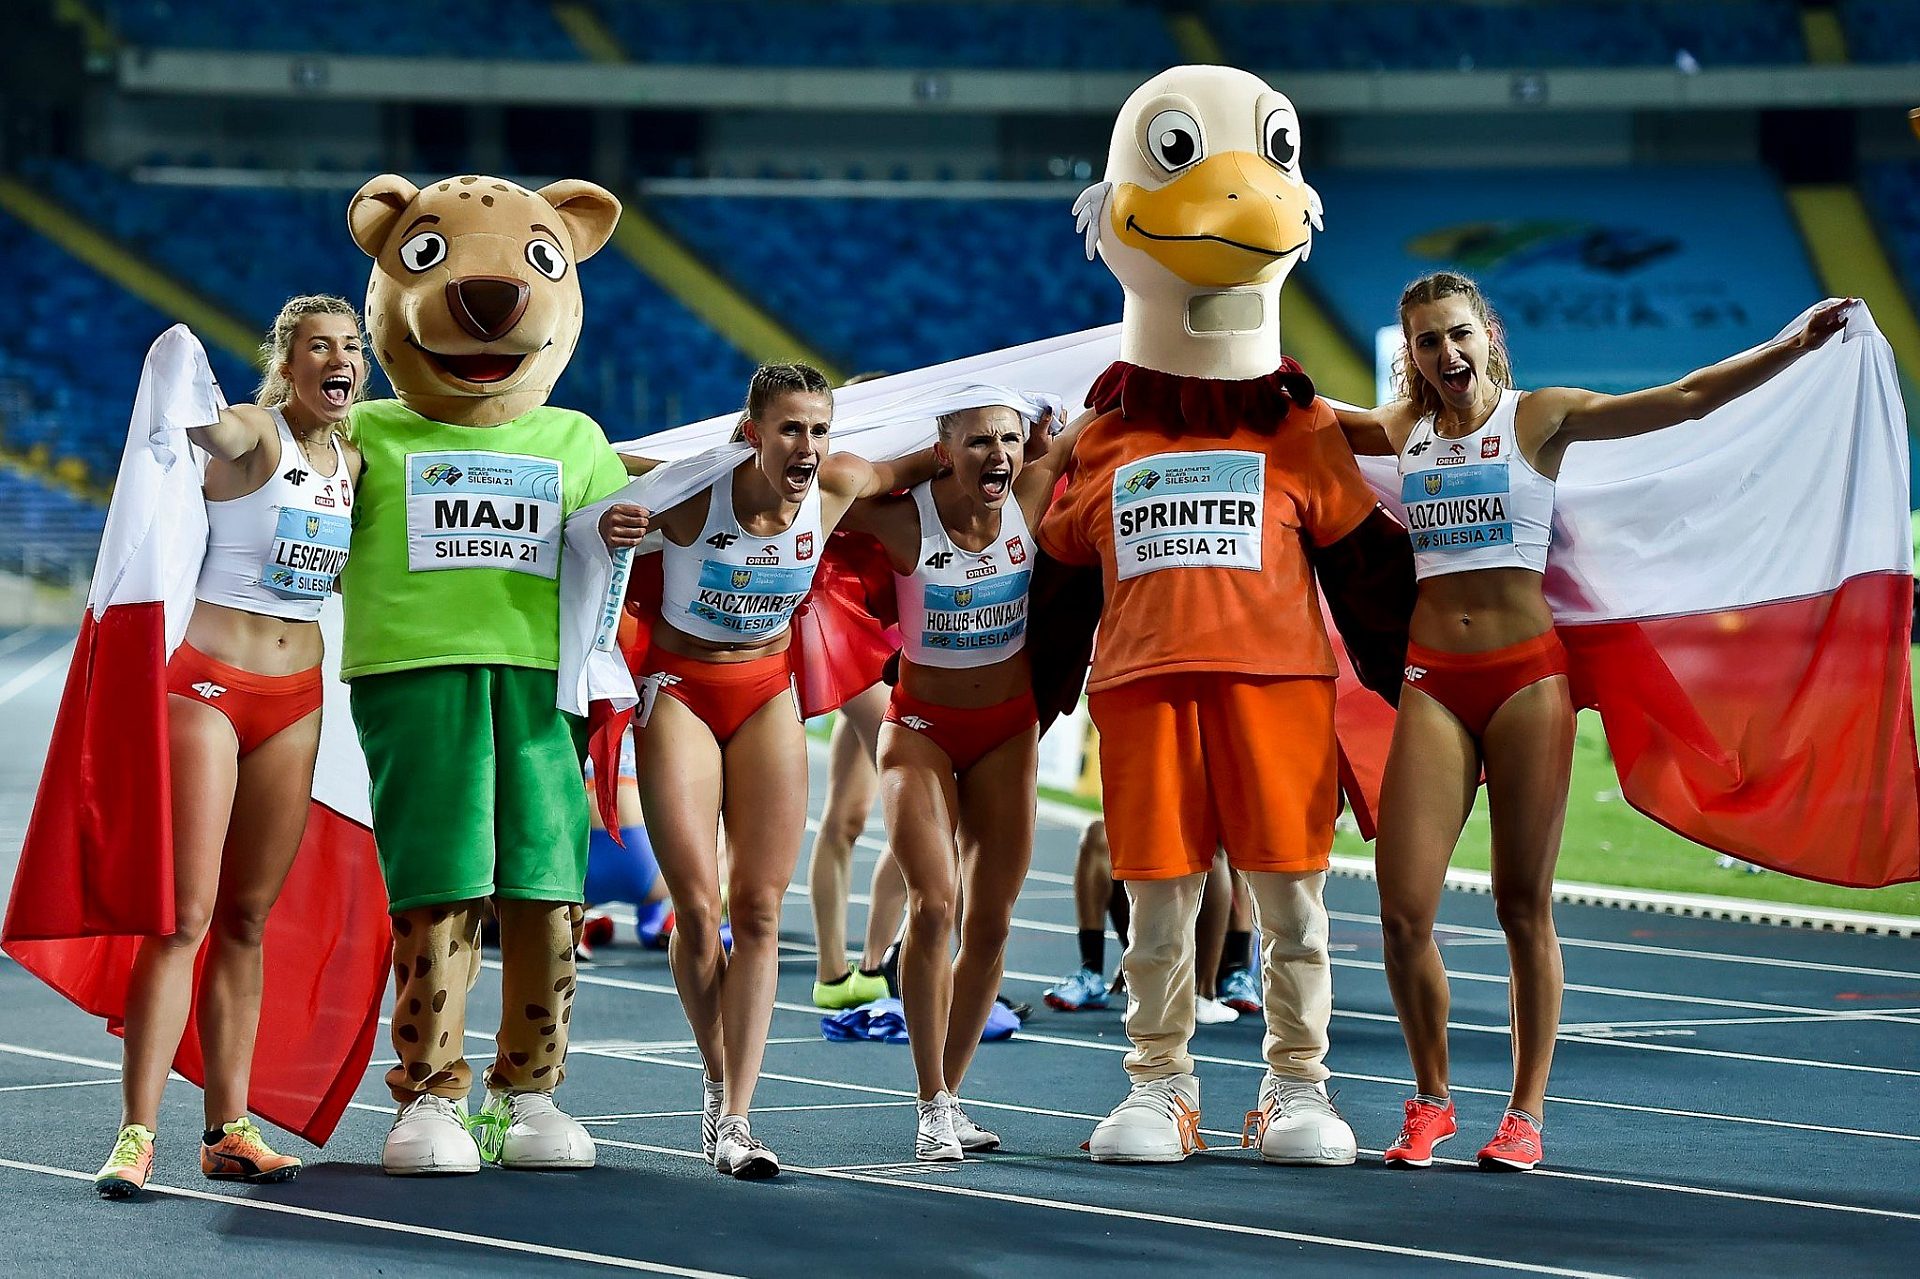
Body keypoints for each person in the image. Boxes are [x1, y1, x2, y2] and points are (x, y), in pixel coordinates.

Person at [1334, 272, 1854, 1173]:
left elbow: (1687, 399)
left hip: (1526, 682)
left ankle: (1524, 1112)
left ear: (1488, 334)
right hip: (1433, 681)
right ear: (1411, 353)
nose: (1447, 353)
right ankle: (1432, 1101)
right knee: (1403, 911)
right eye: (1427, 340)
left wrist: (1791, 347)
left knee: (1520, 904)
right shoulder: (1401, 428)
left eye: (1458, 333)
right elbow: (1294, 414)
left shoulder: (1541, 417)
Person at [600, 362, 937, 1178]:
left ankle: (738, 1117)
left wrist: (1031, 427)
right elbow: (595, 463)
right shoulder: (692, 495)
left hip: (766, 694)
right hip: (681, 692)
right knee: (697, 909)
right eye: (791, 428)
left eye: (819, 429)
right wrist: (615, 518)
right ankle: (716, 1073)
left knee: (756, 909)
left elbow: (927, 459)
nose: (808, 446)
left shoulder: (837, 485)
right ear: (753, 434)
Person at [92, 296, 365, 1197]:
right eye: (319, 346)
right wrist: (179, 372)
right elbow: (209, 427)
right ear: (287, 362)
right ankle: (135, 1133)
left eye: (351, 347)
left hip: (296, 700)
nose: (339, 359)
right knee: (185, 915)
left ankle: (228, 1128)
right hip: (209, 687)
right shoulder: (255, 432)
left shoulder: (356, 459)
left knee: (248, 919)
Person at [841, 392, 1079, 1160]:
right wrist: (913, 463)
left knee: (992, 923)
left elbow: (1102, 419)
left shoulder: (1031, 493)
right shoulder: (905, 520)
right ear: (945, 450)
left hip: (1008, 732)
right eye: (978, 442)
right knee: (934, 904)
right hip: (919, 732)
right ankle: (928, 1102)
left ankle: (950, 1093)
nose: (998, 454)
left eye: (1009, 439)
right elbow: (833, 482)